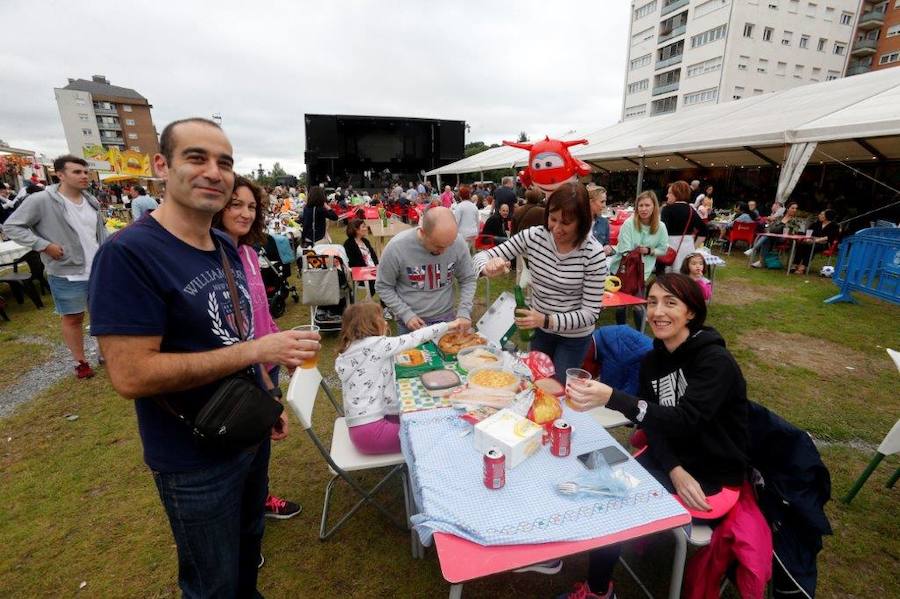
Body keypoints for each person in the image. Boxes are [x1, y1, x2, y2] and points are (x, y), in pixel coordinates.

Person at [88, 117, 320, 596]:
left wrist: (265, 399)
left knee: (246, 552)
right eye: (197, 158)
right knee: (212, 582)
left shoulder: (223, 247)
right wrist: (258, 349)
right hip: (192, 457)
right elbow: (131, 375)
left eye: (225, 163)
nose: (214, 172)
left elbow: (229, 335)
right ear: (162, 165)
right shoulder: (129, 254)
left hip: (245, 431)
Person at [562, 273, 749, 599]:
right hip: (674, 461)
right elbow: (657, 428)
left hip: (712, 473)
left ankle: (598, 592)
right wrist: (674, 469)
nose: (658, 312)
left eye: (670, 303)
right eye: (652, 302)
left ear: (691, 311)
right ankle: (593, 575)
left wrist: (613, 397)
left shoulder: (714, 362)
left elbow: (685, 420)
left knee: (614, 503)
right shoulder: (652, 360)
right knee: (593, 472)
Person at [212, 174, 302, 521]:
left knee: (262, 443)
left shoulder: (249, 253)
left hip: (266, 364)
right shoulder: (208, 256)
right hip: (236, 370)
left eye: (252, 206)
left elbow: (261, 310)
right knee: (236, 451)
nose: (245, 213)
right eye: (236, 204)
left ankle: (259, 499)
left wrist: (285, 346)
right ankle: (239, 519)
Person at [474, 182, 607, 379]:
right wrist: (487, 266)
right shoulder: (534, 236)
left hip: (573, 337)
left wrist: (546, 319)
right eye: (553, 219)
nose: (556, 229)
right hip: (541, 330)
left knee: (558, 386)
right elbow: (480, 257)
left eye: (566, 223)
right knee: (537, 380)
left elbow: (590, 313)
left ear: (582, 221)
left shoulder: (593, 253)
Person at [4, 155, 108, 379]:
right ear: (60, 175)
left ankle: (104, 353)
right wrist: (43, 245)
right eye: (77, 172)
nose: (84, 176)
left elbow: (98, 233)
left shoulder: (91, 200)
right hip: (67, 271)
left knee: (101, 314)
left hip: (98, 268)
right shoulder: (42, 200)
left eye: (85, 172)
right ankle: (80, 362)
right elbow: (12, 226)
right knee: (73, 317)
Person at [336, 303, 465, 454]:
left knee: (416, 419)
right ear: (370, 324)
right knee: (431, 435)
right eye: (381, 318)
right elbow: (415, 337)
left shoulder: (349, 350)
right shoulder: (378, 345)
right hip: (373, 433)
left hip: (359, 430)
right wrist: (449, 325)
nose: (385, 322)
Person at [375, 206, 477, 334]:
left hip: (446, 320)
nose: (443, 251)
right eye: (438, 246)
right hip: (411, 324)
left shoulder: (458, 242)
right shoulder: (397, 247)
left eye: (449, 245)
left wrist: (464, 310)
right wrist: (406, 314)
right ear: (423, 233)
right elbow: (383, 286)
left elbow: (468, 279)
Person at [608, 191, 670, 326]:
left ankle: (639, 334)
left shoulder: (661, 226)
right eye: (640, 205)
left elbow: (663, 249)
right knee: (621, 304)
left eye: (647, 205)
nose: (643, 209)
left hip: (643, 271)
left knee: (638, 304)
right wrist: (638, 251)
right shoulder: (629, 224)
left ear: (654, 206)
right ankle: (621, 330)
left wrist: (648, 250)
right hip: (623, 269)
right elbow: (625, 249)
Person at [659, 181, 704, 272]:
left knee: (667, 278)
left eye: (670, 193)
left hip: (668, 249)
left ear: (677, 194)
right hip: (687, 249)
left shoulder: (666, 210)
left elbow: (661, 232)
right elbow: (704, 231)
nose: (667, 195)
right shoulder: (692, 210)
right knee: (683, 278)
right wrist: (694, 247)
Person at [749, 201, 800, 267]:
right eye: (792, 208)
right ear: (788, 209)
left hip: (785, 239)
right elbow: (771, 228)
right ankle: (761, 262)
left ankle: (753, 250)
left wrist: (788, 229)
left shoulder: (795, 220)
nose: (794, 210)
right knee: (767, 238)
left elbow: (795, 231)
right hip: (774, 237)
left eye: (796, 209)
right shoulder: (780, 217)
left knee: (767, 237)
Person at [793, 209, 840, 275]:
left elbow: (830, 237)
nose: (819, 215)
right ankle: (796, 264)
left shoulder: (834, 226)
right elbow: (808, 233)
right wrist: (808, 239)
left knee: (811, 247)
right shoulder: (816, 224)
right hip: (812, 240)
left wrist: (816, 240)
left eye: (822, 214)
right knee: (801, 244)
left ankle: (803, 266)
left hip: (824, 243)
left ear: (827, 216)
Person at [343, 218, 379, 296]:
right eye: (363, 226)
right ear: (356, 230)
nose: (366, 228)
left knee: (389, 275)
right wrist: (369, 269)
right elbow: (352, 262)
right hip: (360, 271)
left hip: (372, 270)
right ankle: (367, 302)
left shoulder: (365, 241)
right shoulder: (349, 244)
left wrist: (376, 265)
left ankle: (384, 302)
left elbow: (373, 256)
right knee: (380, 280)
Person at [587, 183, 614, 255]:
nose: (604, 205)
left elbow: (606, 244)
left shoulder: (604, 222)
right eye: (602, 202)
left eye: (605, 201)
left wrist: (608, 249)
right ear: (591, 202)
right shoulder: (576, 222)